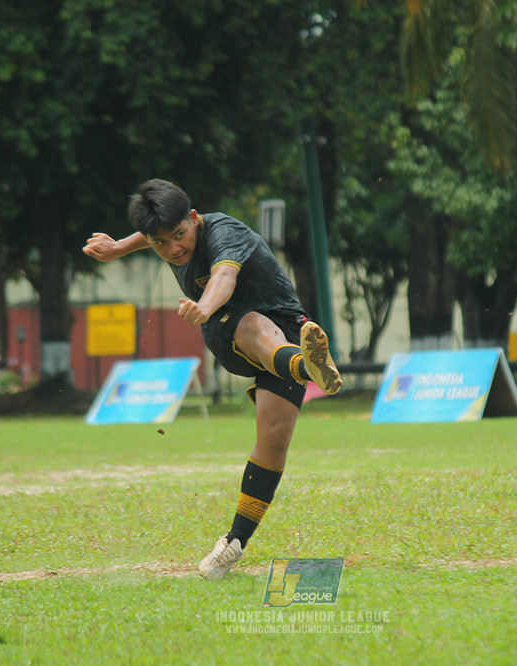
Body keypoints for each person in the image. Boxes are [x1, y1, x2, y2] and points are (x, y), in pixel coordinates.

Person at [83, 178, 342, 580]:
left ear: (193, 218)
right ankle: (304, 367)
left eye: (179, 236)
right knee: (254, 325)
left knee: (273, 439)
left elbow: (224, 277)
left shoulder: (224, 232)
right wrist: (119, 246)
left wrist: (201, 305)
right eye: (161, 244)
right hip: (228, 328)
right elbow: (154, 234)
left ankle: (232, 545)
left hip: (284, 333)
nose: (174, 250)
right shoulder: (168, 234)